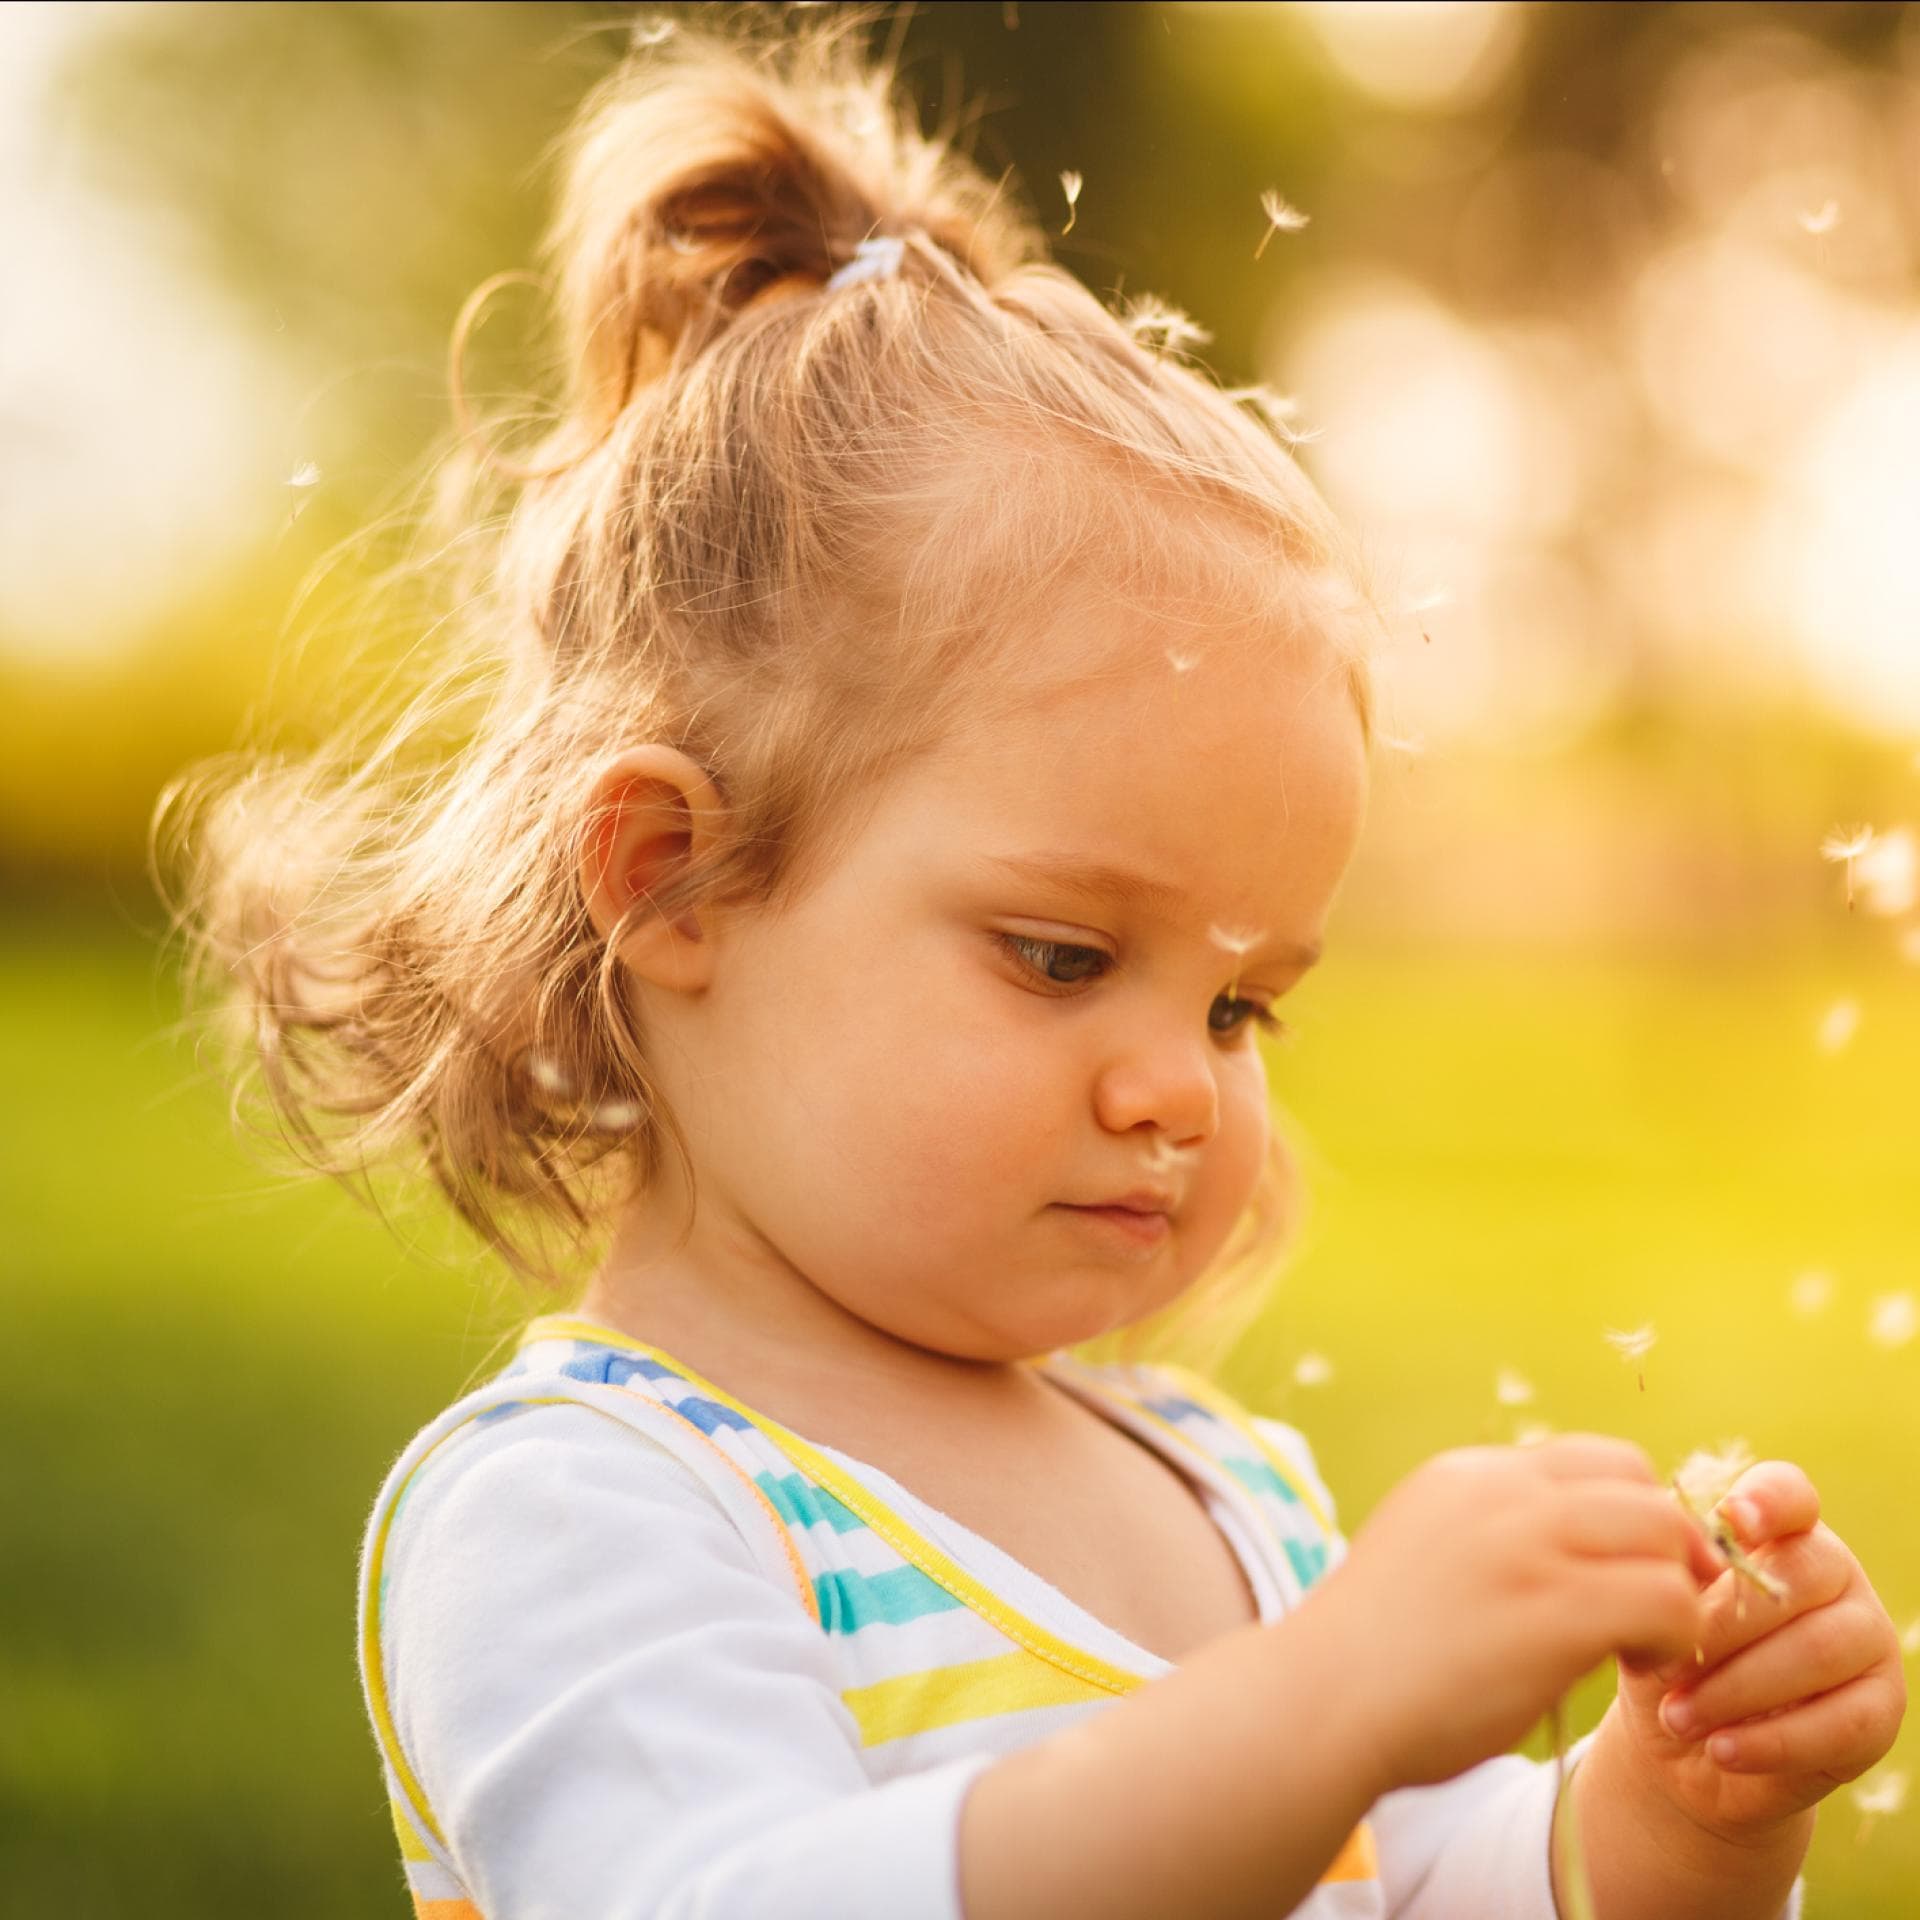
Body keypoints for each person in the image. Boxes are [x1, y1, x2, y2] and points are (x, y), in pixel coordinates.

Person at [165, 11, 1903, 1918]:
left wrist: (1669, 1815)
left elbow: (1408, 1888)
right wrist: (1327, 1698)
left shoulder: (1222, 1492)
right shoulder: (591, 1505)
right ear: (677, 883)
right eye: (1068, 957)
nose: (1183, 1084)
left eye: (1242, 1005)